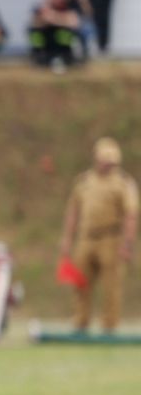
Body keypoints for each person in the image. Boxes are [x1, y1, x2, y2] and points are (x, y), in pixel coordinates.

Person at [59, 138, 139, 334]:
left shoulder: (123, 183)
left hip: (110, 238)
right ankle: (80, 321)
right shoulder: (84, 181)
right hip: (86, 238)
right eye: (104, 160)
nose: (107, 164)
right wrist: (67, 240)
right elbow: (73, 212)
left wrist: (127, 244)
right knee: (80, 282)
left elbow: (131, 215)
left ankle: (109, 325)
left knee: (111, 285)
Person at [28, 0, 86, 70]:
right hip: (48, 40)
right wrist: (54, 18)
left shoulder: (70, 4)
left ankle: (67, 57)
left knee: (65, 32)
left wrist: (54, 17)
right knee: (34, 32)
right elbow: (35, 23)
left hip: (63, 43)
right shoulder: (40, 6)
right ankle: (38, 57)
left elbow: (74, 22)